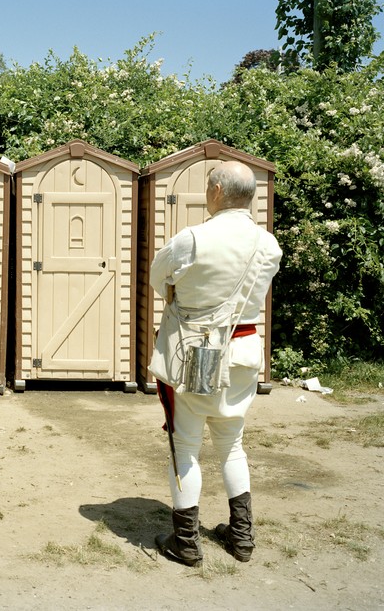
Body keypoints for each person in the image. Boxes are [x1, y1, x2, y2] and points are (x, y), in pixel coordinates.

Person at [148, 160, 282, 566]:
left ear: (218, 192)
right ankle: (242, 537)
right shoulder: (269, 244)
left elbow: (158, 278)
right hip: (243, 352)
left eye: (208, 187)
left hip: (194, 354)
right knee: (233, 444)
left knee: (184, 445)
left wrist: (178, 295)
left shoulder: (191, 239)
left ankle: (186, 542)